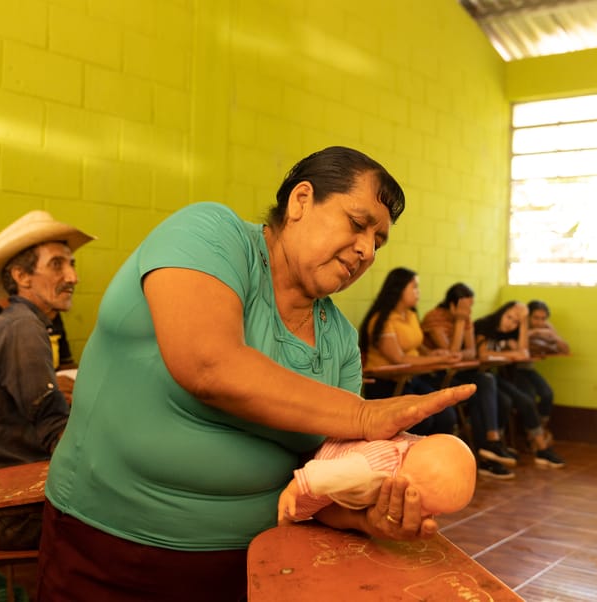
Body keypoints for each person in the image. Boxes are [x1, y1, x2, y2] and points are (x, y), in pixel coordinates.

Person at [37, 146, 476, 601]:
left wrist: (364, 517)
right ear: (301, 201)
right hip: (108, 551)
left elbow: (317, 485)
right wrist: (364, 415)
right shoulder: (209, 235)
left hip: (255, 563)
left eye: (378, 242)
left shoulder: (340, 341)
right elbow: (209, 365)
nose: (367, 250)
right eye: (357, 223)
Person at [0, 210, 94, 549]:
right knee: (133, 510)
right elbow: (55, 427)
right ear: (21, 276)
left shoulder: (21, 323)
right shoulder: (22, 328)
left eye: (72, 264)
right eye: (57, 264)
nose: (72, 277)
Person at [421, 283, 518, 479]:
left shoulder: (465, 320)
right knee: (478, 391)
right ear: (453, 305)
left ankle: (490, 445)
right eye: (466, 307)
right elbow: (452, 354)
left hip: (456, 372)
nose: (469, 312)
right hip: (434, 376)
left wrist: (462, 326)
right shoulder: (435, 318)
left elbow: (470, 352)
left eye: (471, 307)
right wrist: (459, 322)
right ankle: (488, 454)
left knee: (484, 382)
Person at [278, 433, 476, 523]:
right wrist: (295, 488)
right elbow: (327, 473)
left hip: (348, 449)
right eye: (429, 509)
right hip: (328, 461)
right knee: (300, 509)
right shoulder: (370, 470)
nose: (434, 516)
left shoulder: (414, 450)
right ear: (404, 480)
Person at [359, 267, 462, 436]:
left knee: (446, 415)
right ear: (399, 289)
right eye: (414, 287)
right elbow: (398, 358)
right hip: (386, 385)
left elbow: (416, 346)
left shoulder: (411, 316)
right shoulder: (381, 320)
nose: (418, 292)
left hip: (410, 379)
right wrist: (439, 361)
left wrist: (434, 354)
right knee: (423, 421)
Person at [474, 301, 565, 468]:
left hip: (492, 376)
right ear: (501, 312)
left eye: (516, 321)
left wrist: (523, 324)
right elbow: (483, 355)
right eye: (509, 317)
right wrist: (511, 355)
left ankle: (542, 449)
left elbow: (523, 352)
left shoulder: (510, 333)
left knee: (527, 401)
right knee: (506, 401)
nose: (511, 324)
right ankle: (495, 447)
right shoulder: (484, 325)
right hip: (476, 376)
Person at [0, 297, 78, 402]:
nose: (72, 278)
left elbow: (65, 366)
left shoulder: (49, 314)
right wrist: (46, 387)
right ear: (20, 277)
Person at [511, 299, 570, 442]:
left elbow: (565, 349)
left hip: (528, 369)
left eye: (543, 319)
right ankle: (532, 435)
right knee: (529, 397)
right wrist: (533, 332)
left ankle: (540, 431)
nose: (539, 322)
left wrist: (553, 336)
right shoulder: (517, 326)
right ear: (528, 316)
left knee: (547, 394)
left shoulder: (546, 327)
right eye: (536, 318)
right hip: (513, 370)